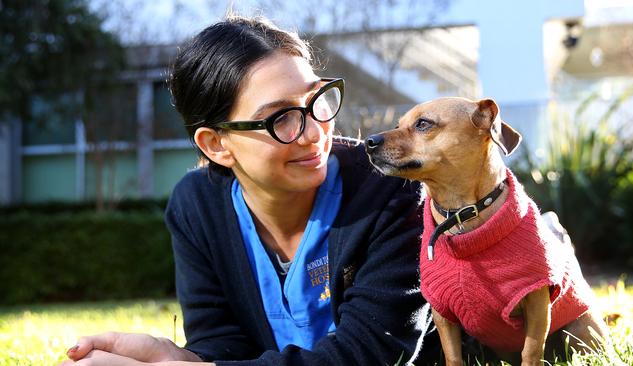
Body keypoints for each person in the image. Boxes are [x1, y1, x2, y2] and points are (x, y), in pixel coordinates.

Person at [60, 15, 435, 366]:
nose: (314, 132)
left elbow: (371, 353)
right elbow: (222, 346)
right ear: (216, 146)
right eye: (280, 118)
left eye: (315, 100)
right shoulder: (197, 207)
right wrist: (179, 357)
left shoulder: (392, 190)